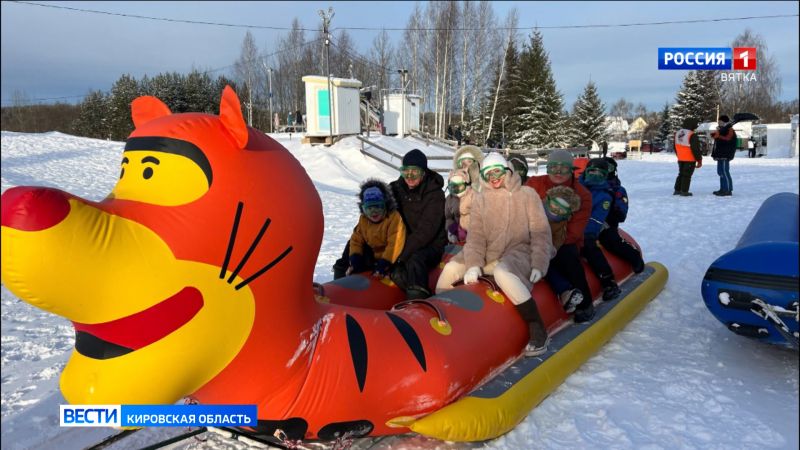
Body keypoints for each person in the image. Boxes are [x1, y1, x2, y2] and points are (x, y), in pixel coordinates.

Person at [436, 153, 554, 356]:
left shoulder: (527, 195)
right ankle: (446, 324)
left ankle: (537, 327)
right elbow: (476, 237)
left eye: (497, 172)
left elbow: (540, 232)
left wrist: (538, 263)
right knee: (451, 269)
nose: (493, 178)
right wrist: (473, 264)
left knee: (502, 273)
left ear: (507, 170)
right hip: (488, 250)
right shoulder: (481, 200)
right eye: (488, 174)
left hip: (519, 248)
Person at [526, 149, 595, 323]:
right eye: (552, 167)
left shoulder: (582, 195)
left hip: (562, 240)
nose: (557, 172)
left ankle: (585, 303)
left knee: (567, 257)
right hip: (530, 235)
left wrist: (547, 247)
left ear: (571, 170)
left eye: (563, 168)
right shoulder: (534, 184)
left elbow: (574, 231)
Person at [390, 149, 448, 299]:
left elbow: (426, 231)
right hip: (404, 240)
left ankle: (418, 298)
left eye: (414, 172)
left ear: (423, 172)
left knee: (415, 259)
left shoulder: (435, 194)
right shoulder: (395, 189)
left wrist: (401, 255)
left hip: (431, 244)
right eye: (405, 171)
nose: (409, 177)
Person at [578, 158, 622, 301]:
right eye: (592, 171)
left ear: (604, 175)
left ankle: (608, 280)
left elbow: (597, 219)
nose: (594, 175)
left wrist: (584, 233)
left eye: (599, 172)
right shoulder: (575, 186)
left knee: (589, 246)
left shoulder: (604, 195)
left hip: (588, 229)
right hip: (568, 227)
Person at [346, 181, 406, 278]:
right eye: (369, 208)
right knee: (346, 254)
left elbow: (395, 244)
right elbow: (356, 240)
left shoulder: (394, 218)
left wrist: (385, 262)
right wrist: (355, 257)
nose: (374, 213)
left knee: (398, 273)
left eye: (378, 207)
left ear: (385, 205)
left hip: (391, 259)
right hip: (372, 256)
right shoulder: (364, 219)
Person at [541, 186, 584, 313]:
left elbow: (556, 244)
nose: (556, 210)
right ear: (547, 201)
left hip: (538, 254)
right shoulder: (532, 210)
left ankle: (565, 292)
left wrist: (545, 252)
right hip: (515, 247)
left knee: (548, 268)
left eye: (562, 210)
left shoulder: (560, 227)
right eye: (555, 205)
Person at [600, 157, 645, 274]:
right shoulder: (589, 184)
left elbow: (621, 212)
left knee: (611, 241)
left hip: (607, 223)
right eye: (602, 167)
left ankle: (634, 257)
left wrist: (609, 217)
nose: (605, 171)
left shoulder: (617, 190)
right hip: (588, 221)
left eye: (609, 168)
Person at [673, 117, 703, 196]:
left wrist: (678, 155)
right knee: (687, 175)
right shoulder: (692, 135)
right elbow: (695, 149)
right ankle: (684, 191)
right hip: (690, 158)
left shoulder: (677, 133)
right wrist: (699, 160)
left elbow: (675, 146)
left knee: (681, 174)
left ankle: (677, 190)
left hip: (680, 158)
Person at [444, 168, 474, 244]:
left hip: (473, 234)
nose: (456, 189)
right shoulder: (449, 199)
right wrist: (451, 230)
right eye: (453, 186)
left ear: (466, 184)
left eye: (459, 186)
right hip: (458, 233)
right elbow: (449, 217)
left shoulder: (473, 196)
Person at [710, 114, 736, 196]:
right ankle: (722, 189)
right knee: (720, 172)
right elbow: (718, 140)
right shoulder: (721, 130)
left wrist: (719, 136)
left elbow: (728, 139)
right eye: (718, 121)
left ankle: (728, 189)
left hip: (725, 154)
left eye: (720, 121)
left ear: (724, 122)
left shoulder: (730, 129)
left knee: (725, 172)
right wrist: (715, 135)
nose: (719, 123)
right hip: (720, 154)